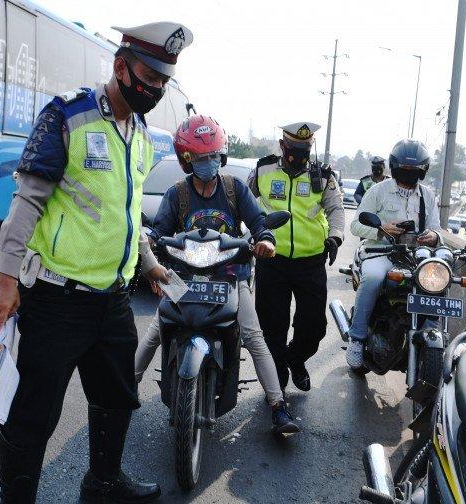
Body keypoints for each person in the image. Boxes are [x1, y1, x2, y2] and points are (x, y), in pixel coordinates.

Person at [0, 22, 193, 504]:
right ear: (120, 67)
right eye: (149, 76)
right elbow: (28, 201)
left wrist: (149, 264)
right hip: (58, 298)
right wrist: (6, 279)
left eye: (164, 81)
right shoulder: (68, 115)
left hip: (113, 300)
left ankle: (103, 482)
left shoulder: (140, 135)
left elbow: (126, 214)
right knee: (34, 415)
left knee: (118, 399)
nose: (156, 88)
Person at [134, 115, 300, 434]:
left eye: (212, 156)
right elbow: (158, 232)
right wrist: (151, 256)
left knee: (252, 335)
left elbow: (259, 222)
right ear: (187, 161)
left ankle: (278, 405)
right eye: (200, 158)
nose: (207, 163)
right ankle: (126, 390)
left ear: (220, 156)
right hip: (184, 276)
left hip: (230, 274)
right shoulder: (177, 193)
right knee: (157, 328)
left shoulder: (234, 188)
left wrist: (265, 240)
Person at [249, 122, 345, 392]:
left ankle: (296, 358)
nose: (300, 153)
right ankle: (277, 381)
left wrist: (335, 236)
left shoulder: (324, 176)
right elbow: (242, 202)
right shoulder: (263, 170)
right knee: (272, 327)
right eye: (294, 148)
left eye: (305, 148)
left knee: (314, 327)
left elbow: (336, 209)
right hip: (271, 259)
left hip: (310, 262)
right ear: (282, 146)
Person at [346, 139, 443, 368]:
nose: (409, 175)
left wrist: (434, 237)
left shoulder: (427, 196)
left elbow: (437, 229)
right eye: (405, 170)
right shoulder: (378, 191)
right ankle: (357, 338)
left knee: (435, 281)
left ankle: (429, 332)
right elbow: (355, 226)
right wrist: (381, 229)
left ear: (423, 171)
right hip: (380, 251)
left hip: (413, 256)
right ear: (394, 167)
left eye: (415, 170)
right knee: (372, 279)